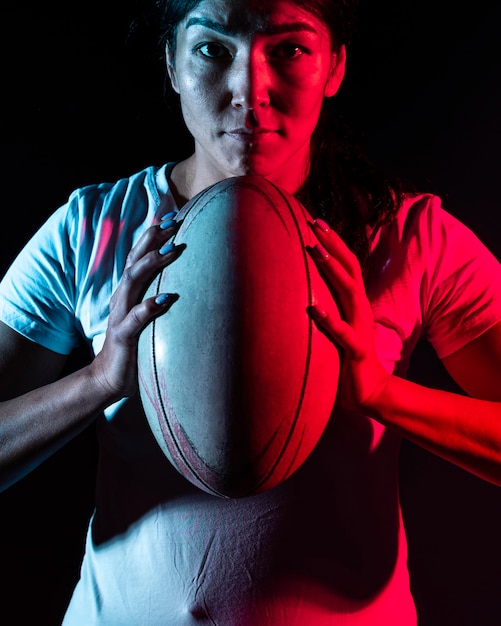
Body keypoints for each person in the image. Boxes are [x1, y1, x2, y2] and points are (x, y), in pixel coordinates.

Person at [1, 0, 501, 624]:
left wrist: (383, 394)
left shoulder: (408, 237)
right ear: (173, 64)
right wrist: (99, 380)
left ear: (335, 66)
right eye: (213, 49)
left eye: (289, 49)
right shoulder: (93, 230)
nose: (249, 89)